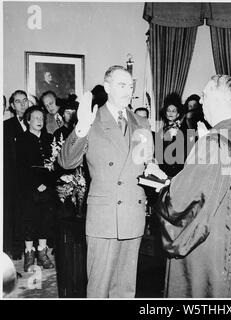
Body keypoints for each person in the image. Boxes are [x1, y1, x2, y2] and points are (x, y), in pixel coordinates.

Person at [58, 65, 165, 298]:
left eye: (131, 86)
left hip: (133, 213)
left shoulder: (141, 123)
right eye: (122, 85)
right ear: (107, 87)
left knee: (126, 288)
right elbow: (66, 161)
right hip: (105, 216)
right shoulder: (92, 119)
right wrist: (82, 125)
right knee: (99, 287)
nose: (128, 91)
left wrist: (153, 167)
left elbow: (145, 159)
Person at [157, 74, 231, 298]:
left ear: (218, 99)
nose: (201, 102)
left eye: (204, 95)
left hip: (206, 254)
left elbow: (181, 204)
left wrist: (164, 187)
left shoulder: (214, 143)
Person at [16, 106, 57, 272]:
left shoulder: (50, 138)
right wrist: (35, 184)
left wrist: (48, 182)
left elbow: (56, 163)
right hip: (28, 188)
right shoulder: (22, 139)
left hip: (47, 187)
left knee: (45, 219)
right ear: (28, 120)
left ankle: (42, 254)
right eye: (36, 118)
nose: (39, 121)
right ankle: (29, 255)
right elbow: (20, 167)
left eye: (42, 118)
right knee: (29, 220)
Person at [3, 90, 30, 259]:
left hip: (32, 179)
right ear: (12, 106)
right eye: (18, 101)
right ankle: (14, 250)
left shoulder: (36, 120)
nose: (22, 104)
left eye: (25, 100)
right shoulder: (6, 126)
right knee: (13, 214)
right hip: (13, 179)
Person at [156, 93, 187, 178]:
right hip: (160, 169)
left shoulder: (181, 131)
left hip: (174, 171)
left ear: (178, 114)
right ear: (165, 113)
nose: (170, 113)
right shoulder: (161, 130)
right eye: (168, 110)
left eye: (174, 111)